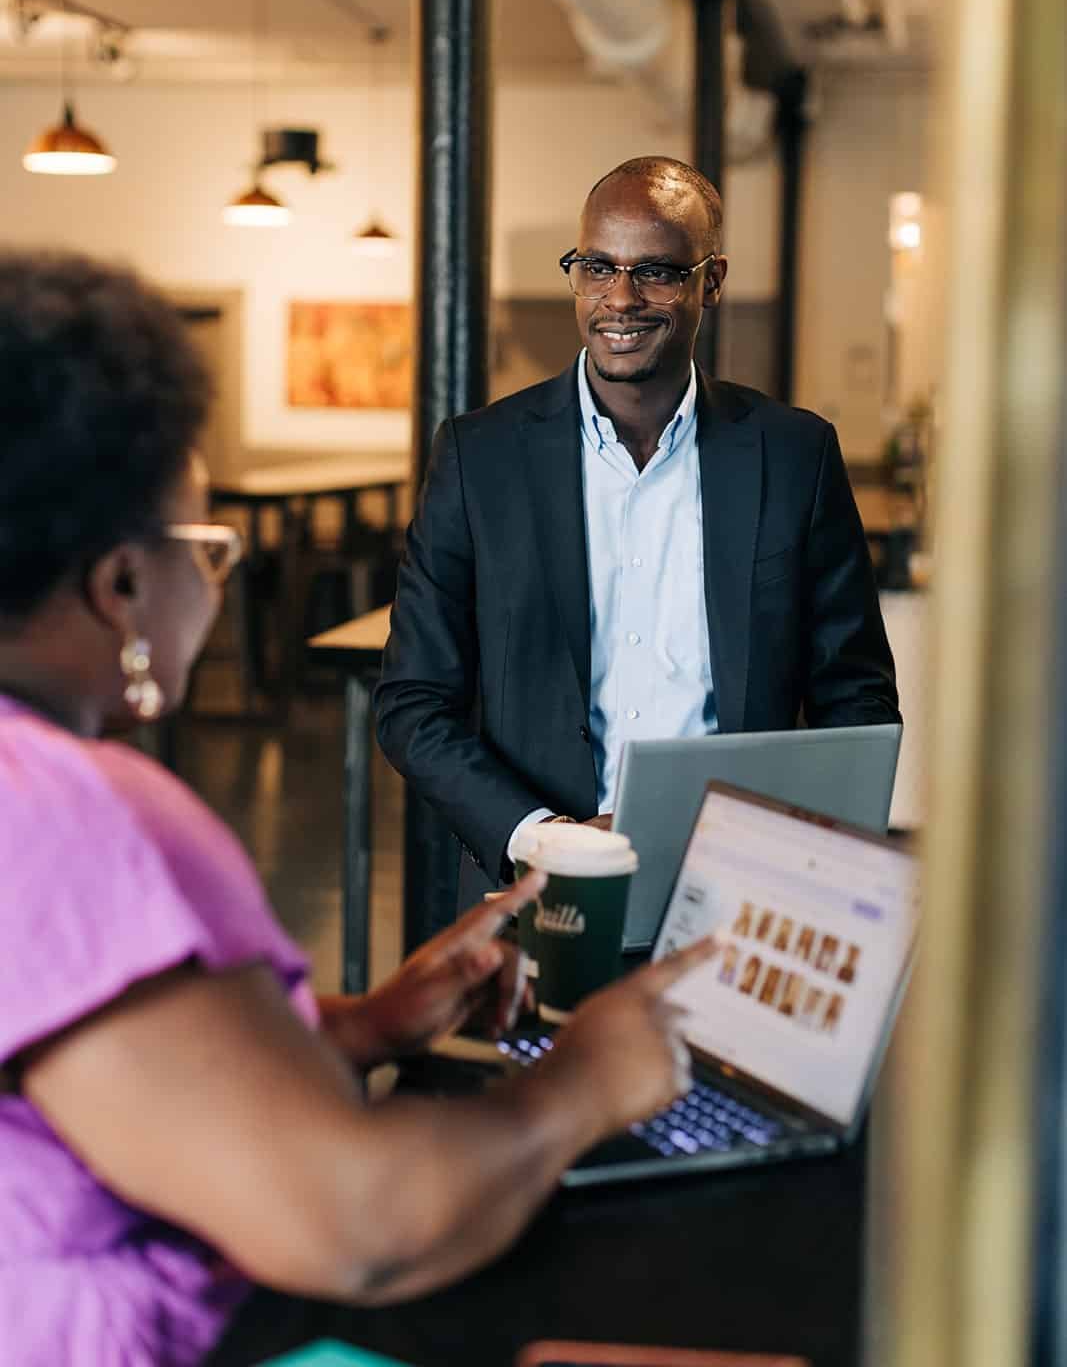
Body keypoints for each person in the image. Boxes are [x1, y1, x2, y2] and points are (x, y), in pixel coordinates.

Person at [0, 253, 714, 1367]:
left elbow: (102, 1070)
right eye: (209, 549)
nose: (219, 584)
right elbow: (357, 1227)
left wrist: (364, 1024)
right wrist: (587, 1081)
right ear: (121, 587)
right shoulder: (67, 814)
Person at [376, 156, 900, 915]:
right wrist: (542, 835)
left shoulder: (793, 457)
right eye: (596, 266)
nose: (618, 299)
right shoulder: (478, 457)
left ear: (710, 282)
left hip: (742, 893)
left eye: (654, 271)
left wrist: (804, 858)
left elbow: (854, 697)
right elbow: (414, 702)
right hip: (538, 890)